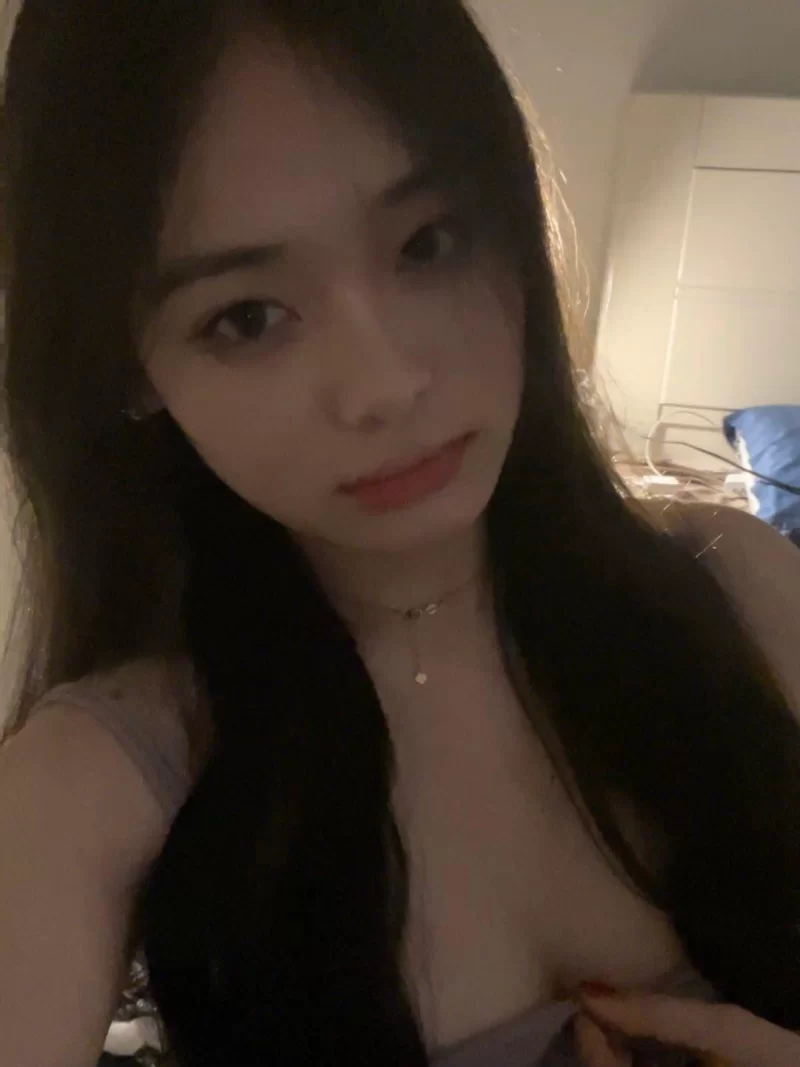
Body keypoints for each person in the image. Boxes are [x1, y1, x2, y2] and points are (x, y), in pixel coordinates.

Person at [0, 2, 799, 1065]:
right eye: (247, 316)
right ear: (130, 368)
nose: (384, 383)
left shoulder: (741, 590)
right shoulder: (95, 782)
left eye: (428, 243)